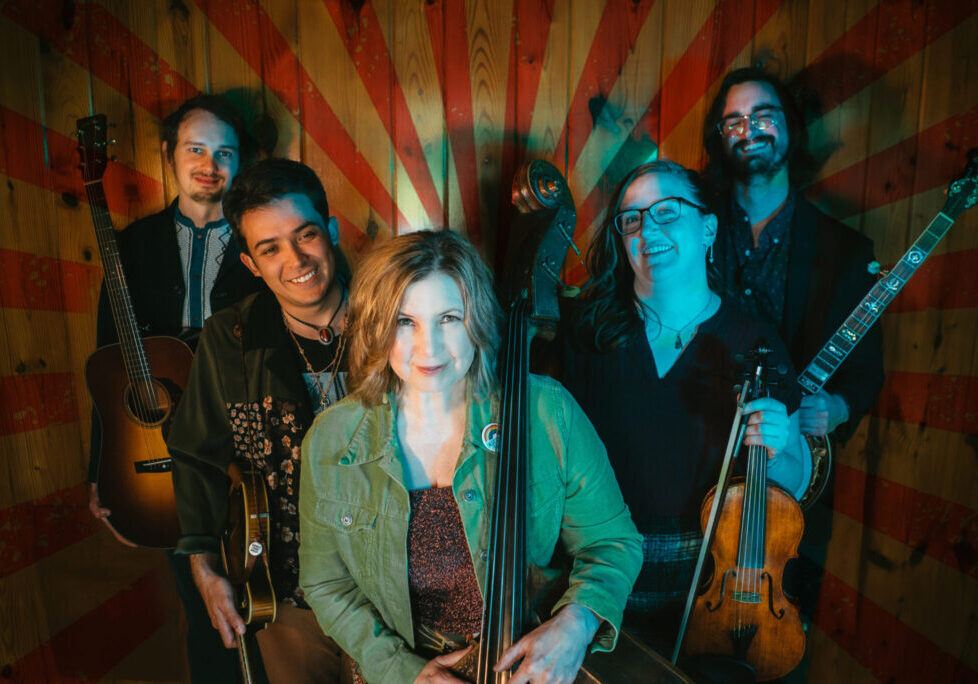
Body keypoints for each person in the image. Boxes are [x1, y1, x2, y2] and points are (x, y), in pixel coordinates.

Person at [298, 229, 642, 684]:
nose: (429, 348)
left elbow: (613, 542)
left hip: (524, 666)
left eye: (448, 319)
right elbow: (327, 584)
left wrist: (575, 625)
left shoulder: (547, 411)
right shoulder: (333, 437)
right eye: (405, 322)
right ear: (378, 327)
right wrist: (405, 672)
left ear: (476, 320)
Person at [561, 160, 811, 654]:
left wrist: (780, 445)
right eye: (631, 218)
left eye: (667, 212)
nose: (647, 228)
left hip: (704, 586)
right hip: (593, 575)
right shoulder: (587, 331)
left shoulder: (755, 341)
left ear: (708, 228)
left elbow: (795, 481)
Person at [86, 94, 261, 682]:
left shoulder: (260, 244)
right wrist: (100, 471)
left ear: (240, 165)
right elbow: (109, 371)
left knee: (267, 608)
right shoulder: (132, 247)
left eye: (224, 153)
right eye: (196, 149)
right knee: (201, 609)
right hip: (162, 455)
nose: (209, 164)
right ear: (169, 156)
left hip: (245, 448)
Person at [168, 158, 351, 683]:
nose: (295, 259)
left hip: (396, 589)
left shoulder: (396, 314)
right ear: (251, 263)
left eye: (306, 234)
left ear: (330, 231)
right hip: (288, 590)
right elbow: (195, 455)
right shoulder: (229, 337)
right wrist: (203, 567)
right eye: (270, 248)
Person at [702, 67, 884, 445]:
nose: (748, 130)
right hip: (693, 444)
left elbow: (866, 371)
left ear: (791, 126)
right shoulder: (691, 229)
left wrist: (838, 406)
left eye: (763, 116)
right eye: (733, 121)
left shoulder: (847, 251)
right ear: (719, 138)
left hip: (788, 468)